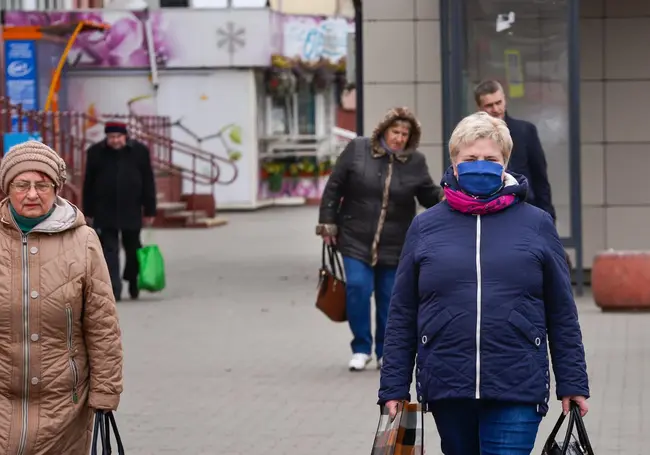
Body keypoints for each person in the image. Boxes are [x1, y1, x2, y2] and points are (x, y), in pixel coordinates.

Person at [378, 112, 589, 454]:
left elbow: (562, 310)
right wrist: (393, 387)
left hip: (517, 383)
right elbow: (403, 312)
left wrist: (573, 381)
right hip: (448, 384)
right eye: (470, 158)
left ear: (505, 162)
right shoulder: (426, 227)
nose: (480, 165)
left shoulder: (536, 224)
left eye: (490, 159)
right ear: (454, 162)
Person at [0, 140, 123, 454]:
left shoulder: (83, 240)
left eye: (42, 185)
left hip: (63, 406)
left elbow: (102, 324)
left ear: (56, 188)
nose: (31, 194)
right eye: (21, 184)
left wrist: (105, 392)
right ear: (6, 188)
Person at [316, 106, 442, 372]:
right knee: (358, 288)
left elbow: (428, 196)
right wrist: (328, 223)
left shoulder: (415, 162)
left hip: (395, 243)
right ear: (384, 130)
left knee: (389, 298)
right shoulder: (358, 149)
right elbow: (334, 186)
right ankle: (361, 348)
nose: (399, 138)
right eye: (395, 131)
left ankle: (385, 351)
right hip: (354, 236)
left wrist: (449, 196)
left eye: (404, 134)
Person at [82, 121, 157, 301]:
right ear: (106, 137)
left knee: (133, 248)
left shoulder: (139, 152)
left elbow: (148, 180)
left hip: (131, 208)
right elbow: (88, 183)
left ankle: (132, 280)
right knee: (109, 250)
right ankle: (114, 288)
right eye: (111, 137)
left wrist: (150, 209)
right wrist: (88, 209)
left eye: (118, 137)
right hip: (104, 209)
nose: (115, 141)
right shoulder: (95, 153)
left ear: (126, 136)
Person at [474, 80, 556, 220]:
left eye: (498, 102)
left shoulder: (525, 131)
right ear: (480, 108)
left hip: (525, 210)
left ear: (505, 100)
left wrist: (548, 217)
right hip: (490, 212)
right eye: (489, 105)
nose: (495, 109)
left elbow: (540, 178)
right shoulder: (474, 137)